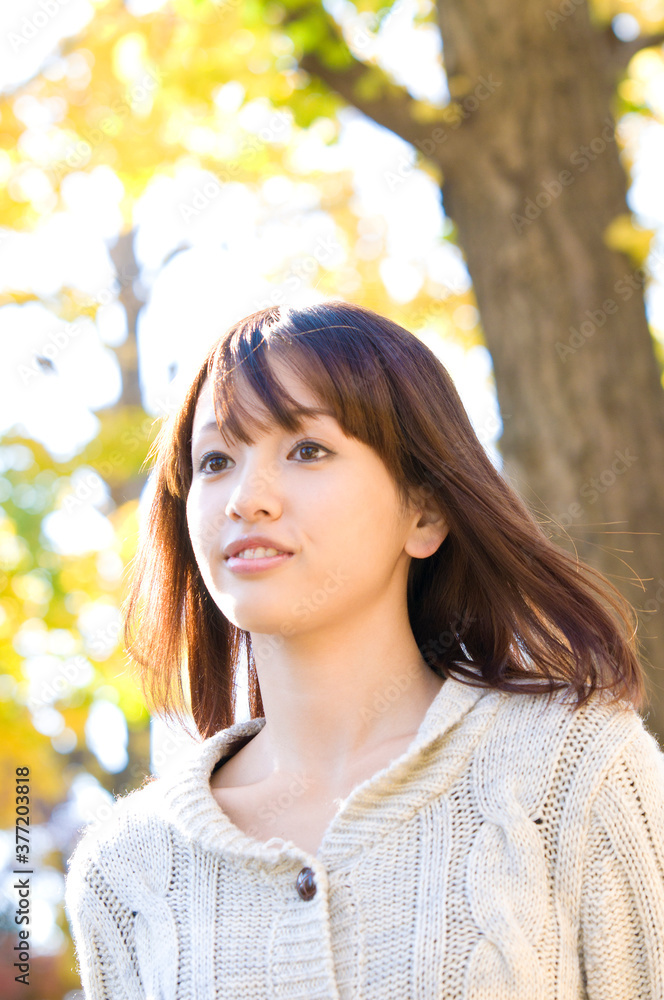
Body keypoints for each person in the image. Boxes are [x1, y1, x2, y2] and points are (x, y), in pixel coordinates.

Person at [65, 299, 664, 999]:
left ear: (425, 512)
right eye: (216, 460)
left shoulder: (577, 772)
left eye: (307, 450)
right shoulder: (126, 869)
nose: (246, 499)